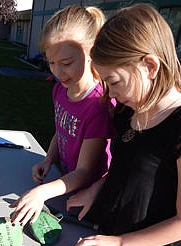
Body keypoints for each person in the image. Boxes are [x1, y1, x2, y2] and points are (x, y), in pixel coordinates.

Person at [68, 3, 181, 246]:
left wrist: (122, 243)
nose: (112, 94)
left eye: (114, 82)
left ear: (149, 66)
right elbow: (124, 168)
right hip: (108, 233)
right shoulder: (128, 112)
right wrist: (95, 189)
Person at [10, 5, 114, 226]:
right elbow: (62, 130)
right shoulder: (59, 90)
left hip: (87, 195)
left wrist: (41, 193)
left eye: (66, 63)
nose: (57, 72)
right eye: (51, 62)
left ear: (90, 53)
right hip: (62, 181)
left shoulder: (97, 105)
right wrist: (49, 159)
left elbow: (85, 172)